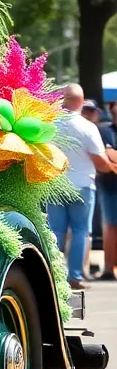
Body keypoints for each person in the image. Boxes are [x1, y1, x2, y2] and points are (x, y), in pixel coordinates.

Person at [47, 84, 112, 290]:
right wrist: (112, 166)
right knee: (80, 231)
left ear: (62, 99)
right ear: (81, 102)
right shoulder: (87, 127)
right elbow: (100, 161)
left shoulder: (50, 124)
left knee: (55, 231)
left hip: (56, 184)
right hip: (82, 185)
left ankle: (53, 276)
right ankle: (74, 276)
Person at [92, 102, 117, 280]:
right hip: (110, 186)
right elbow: (109, 155)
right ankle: (109, 268)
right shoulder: (105, 131)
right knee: (111, 227)